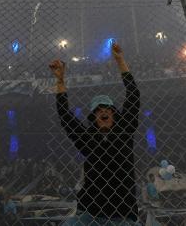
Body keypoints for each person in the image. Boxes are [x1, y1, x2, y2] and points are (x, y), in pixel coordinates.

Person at [50, 42, 141, 225]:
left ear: (114, 114)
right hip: (90, 213)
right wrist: (60, 81)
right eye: (98, 110)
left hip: (122, 213)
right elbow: (65, 117)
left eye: (107, 108)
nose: (103, 112)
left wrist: (120, 61)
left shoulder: (124, 130)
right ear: (93, 117)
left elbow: (133, 95)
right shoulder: (87, 139)